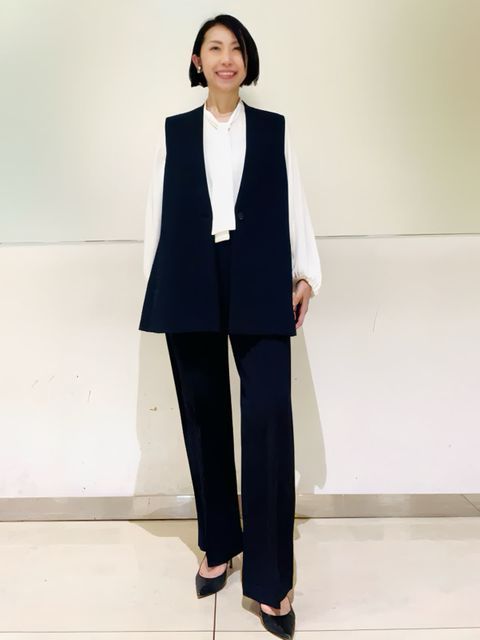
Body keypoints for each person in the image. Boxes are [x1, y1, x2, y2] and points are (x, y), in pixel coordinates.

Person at [139, 13, 321, 639]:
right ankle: (218, 543)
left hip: (260, 274)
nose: (226, 58)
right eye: (214, 48)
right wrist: (157, 286)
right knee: (203, 409)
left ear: (247, 61)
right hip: (189, 273)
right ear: (197, 61)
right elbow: (157, 213)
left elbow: (294, 203)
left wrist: (305, 273)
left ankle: (271, 581)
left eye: (235, 48)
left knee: (268, 415)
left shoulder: (273, 131)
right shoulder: (174, 132)